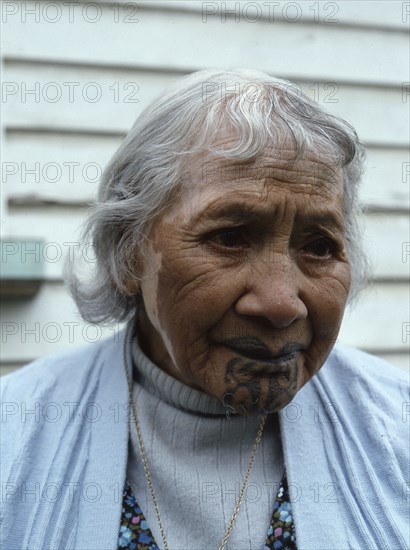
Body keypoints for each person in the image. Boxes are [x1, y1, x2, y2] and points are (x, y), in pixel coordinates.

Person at [1, 69, 408, 550]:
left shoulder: (397, 427)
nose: (281, 304)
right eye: (229, 237)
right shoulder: (14, 434)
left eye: (319, 247)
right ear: (130, 254)